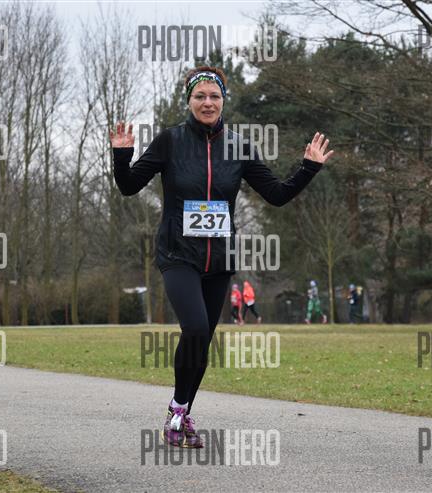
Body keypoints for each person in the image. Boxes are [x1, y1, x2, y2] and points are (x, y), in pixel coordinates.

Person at [110, 65, 333, 448]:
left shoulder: (239, 147)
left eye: (214, 96)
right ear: (189, 101)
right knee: (195, 327)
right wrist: (122, 154)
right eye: (200, 96)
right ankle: (178, 411)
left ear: (223, 101)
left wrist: (308, 168)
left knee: (202, 340)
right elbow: (129, 186)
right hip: (178, 253)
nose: (208, 102)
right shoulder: (170, 141)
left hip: (219, 259)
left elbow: (277, 194)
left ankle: (180, 413)